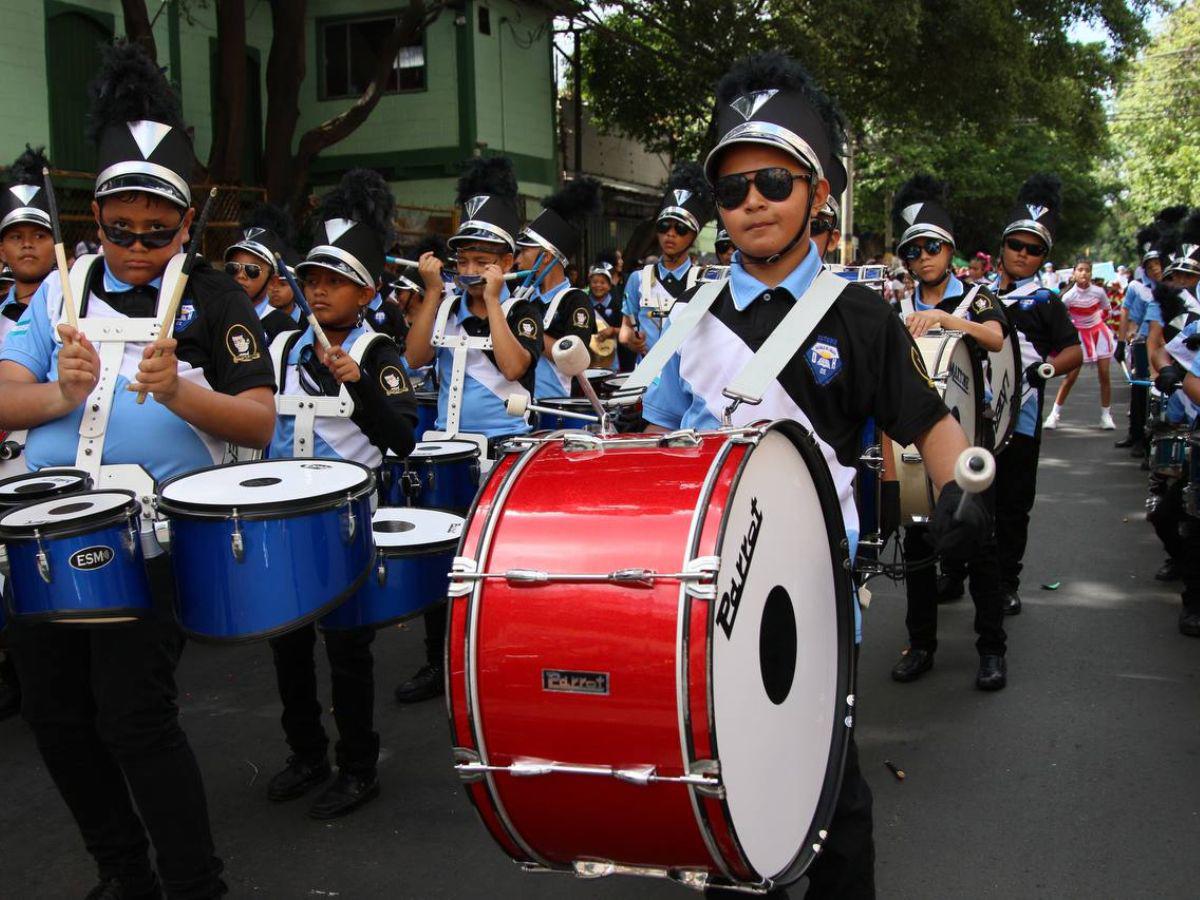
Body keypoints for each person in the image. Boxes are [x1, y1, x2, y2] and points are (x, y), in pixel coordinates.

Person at [644, 51, 989, 899]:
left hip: (810, 592)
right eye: (731, 190)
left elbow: (932, 426)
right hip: (696, 593)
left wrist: (958, 497)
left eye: (772, 181)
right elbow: (652, 441)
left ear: (818, 191)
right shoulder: (687, 317)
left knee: (829, 796)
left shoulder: (860, 316)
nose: (751, 203)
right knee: (716, 788)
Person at [0, 41, 278, 899]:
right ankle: (123, 873)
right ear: (96, 217)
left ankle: (196, 884)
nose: (136, 246)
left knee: (135, 719)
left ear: (186, 226)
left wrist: (185, 396)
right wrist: (56, 394)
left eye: (157, 233)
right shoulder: (60, 288)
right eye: (121, 229)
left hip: (144, 537)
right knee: (55, 716)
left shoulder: (214, 296)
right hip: (41, 525)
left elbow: (260, 422)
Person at [265, 168, 417, 820]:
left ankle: (359, 765)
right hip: (282, 516)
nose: (319, 291)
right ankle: (306, 753)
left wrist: (358, 386)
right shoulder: (281, 343)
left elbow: (401, 438)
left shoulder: (377, 350)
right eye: (313, 279)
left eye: (335, 281)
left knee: (346, 649)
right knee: (288, 648)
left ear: (367, 291)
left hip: (344, 519)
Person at [396, 156, 543, 705]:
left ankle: (502, 660)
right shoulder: (447, 306)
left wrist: (497, 302)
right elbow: (412, 358)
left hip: (505, 453)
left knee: (499, 560)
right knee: (444, 555)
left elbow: (513, 367)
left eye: (485, 260)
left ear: (507, 262)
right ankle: (442, 662)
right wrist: (433, 293)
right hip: (447, 450)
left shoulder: (523, 307)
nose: (471, 269)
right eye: (465, 259)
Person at [886, 175, 1010, 690]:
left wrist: (946, 320)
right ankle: (921, 645)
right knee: (918, 547)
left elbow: (998, 339)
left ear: (949, 249)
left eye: (931, 247)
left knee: (979, 546)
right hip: (914, 446)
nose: (922, 257)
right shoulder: (895, 306)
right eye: (913, 251)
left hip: (969, 445)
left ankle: (991, 649)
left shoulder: (977, 297)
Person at [991, 174, 1082, 616]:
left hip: (1022, 417)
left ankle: (1007, 581)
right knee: (965, 496)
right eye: (1017, 246)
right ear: (1003, 247)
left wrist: (1042, 368)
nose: (1024, 255)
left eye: (1034, 249)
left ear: (1045, 256)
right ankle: (955, 571)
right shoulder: (977, 295)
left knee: (1012, 504)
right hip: (971, 417)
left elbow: (1074, 352)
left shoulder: (1047, 300)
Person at [0, 144, 59, 720]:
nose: (26, 245)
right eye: (15, 236)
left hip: (42, 463)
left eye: (38, 235)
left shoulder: (74, 307)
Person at [513, 177, 600, 400]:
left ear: (545, 258)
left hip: (555, 406)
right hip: (519, 406)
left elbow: (573, 359)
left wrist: (527, 331)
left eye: (524, 252)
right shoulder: (523, 297)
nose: (517, 261)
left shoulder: (575, 300)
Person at [618, 161, 713, 359]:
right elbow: (625, 328)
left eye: (680, 229)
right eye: (664, 226)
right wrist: (629, 340)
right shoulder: (638, 278)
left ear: (693, 236)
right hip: (646, 379)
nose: (670, 234)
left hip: (686, 378)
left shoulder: (704, 281)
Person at [1044, 259, 1116, 430]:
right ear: (1074, 273)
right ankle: (1054, 415)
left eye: (1087, 270)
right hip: (1079, 337)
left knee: (1104, 374)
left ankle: (1106, 415)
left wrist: (1098, 322)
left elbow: (1107, 310)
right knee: (1070, 377)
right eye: (1081, 270)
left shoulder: (1099, 292)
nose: (1084, 273)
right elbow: (1061, 319)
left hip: (1099, 334)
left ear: (1091, 273)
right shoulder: (1068, 296)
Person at [1116, 220, 1167, 452]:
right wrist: (1121, 339)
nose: (1155, 269)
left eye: (1158, 264)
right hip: (1143, 342)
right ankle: (1136, 435)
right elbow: (1127, 314)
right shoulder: (1137, 287)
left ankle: (1155, 442)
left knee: (1160, 394)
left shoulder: (1176, 287)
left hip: (1170, 345)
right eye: (1150, 265)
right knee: (1140, 389)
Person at [223, 204, 300, 343]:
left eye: (252, 270)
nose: (240, 275)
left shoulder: (285, 328)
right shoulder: (215, 316)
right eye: (233, 268)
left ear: (272, 280)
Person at [587, 257, 623, 371]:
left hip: (611, 357)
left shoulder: (617, 304)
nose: (598, 285)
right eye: (594, 282)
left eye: (602, 282)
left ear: (609, 285)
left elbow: (627, 330)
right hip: (589, 358)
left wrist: (612, 330)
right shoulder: (584, 303)